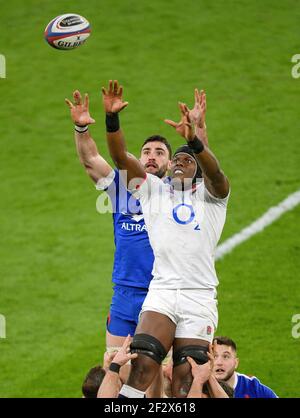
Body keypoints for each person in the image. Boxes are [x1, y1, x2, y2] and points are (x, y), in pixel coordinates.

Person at [102, 80, 230, 398]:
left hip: (198, 296)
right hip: (162, 290)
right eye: (176, 160)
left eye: (187, 161)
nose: (178, 164)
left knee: (187, 375)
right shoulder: (153, 191)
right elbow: (121, 159)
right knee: (143, 361)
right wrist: (112, 119)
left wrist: (196, 141)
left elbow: (216, 173)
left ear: (197, 171)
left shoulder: (213, 197)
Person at [213, 336, 278, 398]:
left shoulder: (255, 389)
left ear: (236, 363)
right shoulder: (202, 388)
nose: (219, 362)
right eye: (214, 356)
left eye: (226, 356)